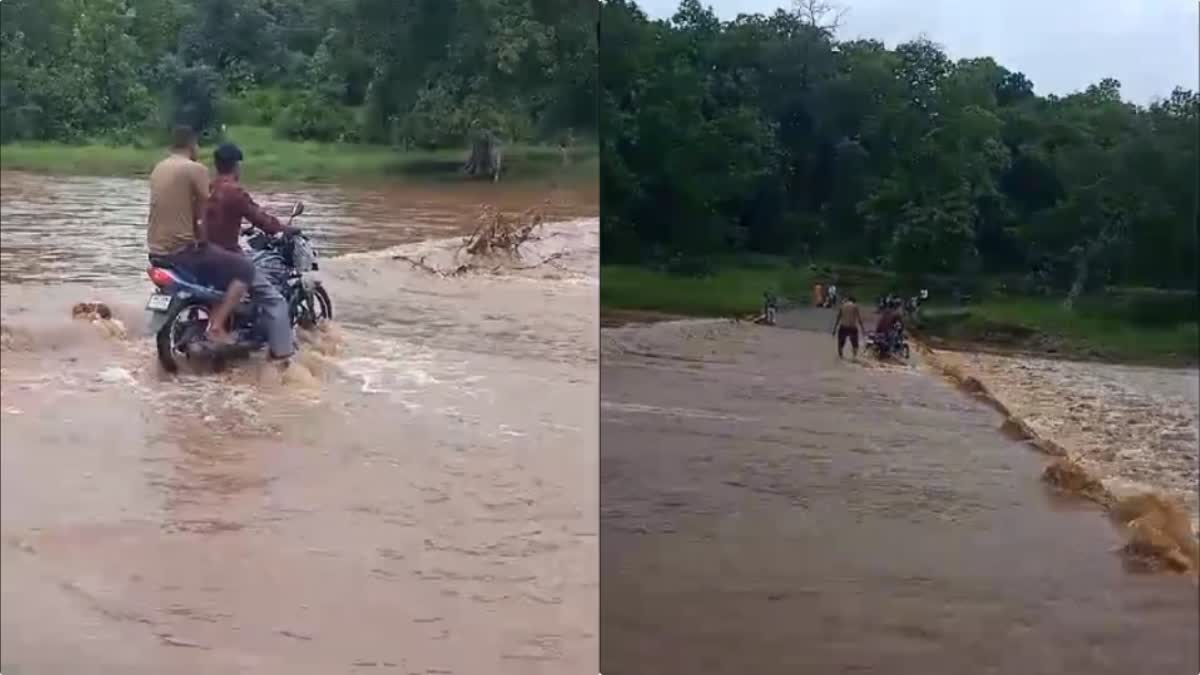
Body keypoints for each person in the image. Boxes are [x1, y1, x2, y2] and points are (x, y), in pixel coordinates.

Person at [146, 126, 255, 345]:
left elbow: (185, 209)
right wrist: (205, 241)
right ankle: (216, 327)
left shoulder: (159, 167)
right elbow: (207, 210)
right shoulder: (195, 169)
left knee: (215, 265)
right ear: (191, 145)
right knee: (245, 269)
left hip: (155, 251)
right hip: (181, 251)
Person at [201, 142, 297, 364]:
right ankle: (282, 359)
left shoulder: (208, 188)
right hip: (228, 258)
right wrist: (283, 228)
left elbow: (214, 219)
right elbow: (260, 217)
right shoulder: (233, 191)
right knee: (276, 301)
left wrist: (240, 228)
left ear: (216, 165)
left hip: (204, 255)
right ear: (236, 166)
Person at [832, 294, 865, 359]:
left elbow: (838, 318)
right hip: (852, 327)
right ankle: (854, 357)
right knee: (855, 344)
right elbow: (859, 319)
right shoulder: (855, 306)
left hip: (843, 326)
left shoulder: (842, 306)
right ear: (854, 301)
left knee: (841, 343)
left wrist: (834, 329)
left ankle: (841, 356)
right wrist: (863, 329)